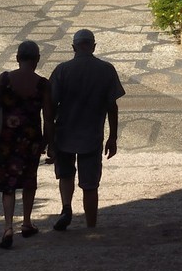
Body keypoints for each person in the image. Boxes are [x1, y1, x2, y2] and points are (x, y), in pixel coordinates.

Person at [46, 28, 124, 229]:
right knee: (90, 184)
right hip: (92, 134)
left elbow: (50, 106)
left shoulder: (62, 70)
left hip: (64, 132)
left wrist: (49, 139)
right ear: (93, 46)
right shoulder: (106, 70)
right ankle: (91, 225)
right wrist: (113, 137)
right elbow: (112, 107)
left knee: (65, 174)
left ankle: (66, 208)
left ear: (73, 47)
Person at [0, 40, 53, 249]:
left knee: (8, 183)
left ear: (17, 58)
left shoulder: (5, 79)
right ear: (37, 59)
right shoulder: (43, 84)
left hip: (7, 138)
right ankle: (27, 223)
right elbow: (48, 117)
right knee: (29, 180)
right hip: (31, 139)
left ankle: (8, 226)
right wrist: (50, 143)